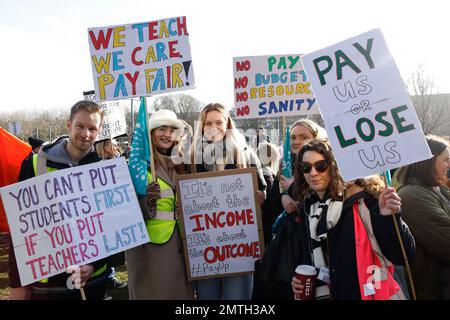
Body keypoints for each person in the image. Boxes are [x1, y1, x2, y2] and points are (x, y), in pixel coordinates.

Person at [8, 100, 108, 300]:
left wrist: (93, 265)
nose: (86, 134)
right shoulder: (35, 163)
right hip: (48, 280)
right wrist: (18, 282)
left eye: (92, 128)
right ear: (69, 125)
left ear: (98, 132)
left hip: (92, 280)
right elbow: (19, 224)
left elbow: (109, 225)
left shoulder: (104, 171)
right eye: (80, 126)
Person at [290, 140, 415, 299]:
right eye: (306, 167)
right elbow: (308, 257)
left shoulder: (364, 201)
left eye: (321, 165)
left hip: (368, 293)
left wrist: (389, 217)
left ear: (334, 166)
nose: (313, 173)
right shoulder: (308, 209)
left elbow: (402, 255)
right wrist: (298, 280)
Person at [189, 103, 267, 300]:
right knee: (207, 297)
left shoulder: (244, 152)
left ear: (228, 124)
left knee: (236, 298)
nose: (213, 127)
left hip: (238, 244)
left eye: (218, 122)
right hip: (204, 246)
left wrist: (261, 196)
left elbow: (266, 186)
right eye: (208, 123)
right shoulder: (191, 156)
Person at [125, 109, 194, 300]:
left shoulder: (181, 163)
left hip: (180, 247)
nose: (167, 134)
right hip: (150, 250)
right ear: (151, 133)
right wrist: (146, 201)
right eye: (161, 128)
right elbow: (123, 215)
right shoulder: (136, 166)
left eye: (172, 130)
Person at [396, 134, 450, 299]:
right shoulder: (412, 196)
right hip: (432, 289)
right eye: (446, 160)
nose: (449, 165)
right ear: (429, 161)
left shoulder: (436, 189)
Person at [94, 138, 128, 295]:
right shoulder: (97, 166)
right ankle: (108, 278)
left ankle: (110, 276)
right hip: (103, 213)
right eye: (113, 144)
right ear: (105, 146)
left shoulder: (118, 161)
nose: (117, 147)